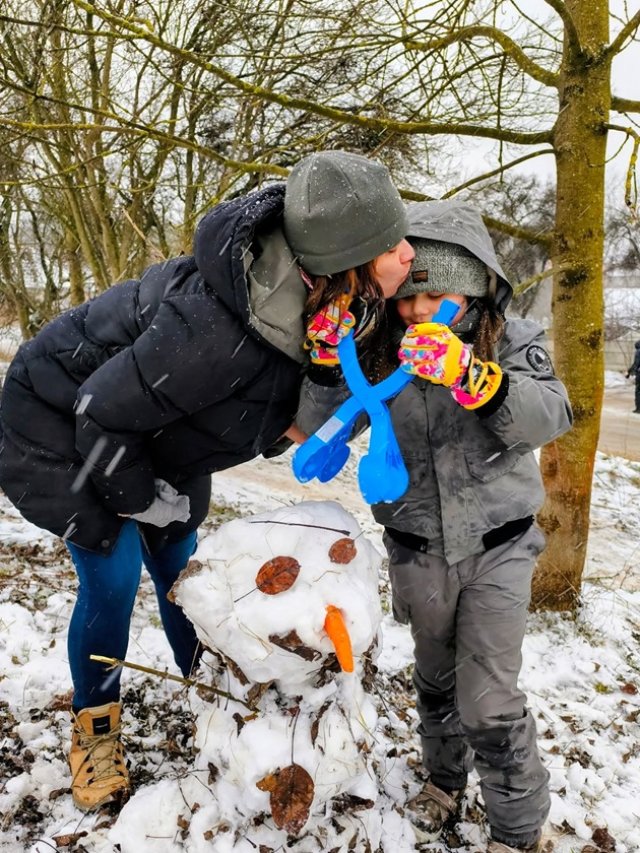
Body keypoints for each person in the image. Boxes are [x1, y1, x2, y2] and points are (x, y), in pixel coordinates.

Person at [0, 149, 414, 811]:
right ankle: (95, 730)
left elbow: (281, 409)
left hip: (155, 436)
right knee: (114, 576)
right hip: (61, 424)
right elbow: (100, 411)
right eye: (392, 245)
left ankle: (215, 699)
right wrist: (145, 502)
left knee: (184, 575)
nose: (409, 254)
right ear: (347, 259)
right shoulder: (216, 331)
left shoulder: (333, 307)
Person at [296, 200, 573, 853]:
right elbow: (318, 426)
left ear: (474, 285)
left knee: (489, 699)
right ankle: (444, 780)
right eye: (407, 298)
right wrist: (326, 362)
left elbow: (550, 415)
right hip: (417, 548)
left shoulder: (509, 339)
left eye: (436, 295)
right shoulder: (379, 349)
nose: (418, 311)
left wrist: (475, 377)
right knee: (437, 682)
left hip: (498, 549)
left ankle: (516, 828)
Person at [626, 339, 640, 413]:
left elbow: (636, 364)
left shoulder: (638, 352)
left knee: (638, 391)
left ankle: (638, 409)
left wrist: (629, 372)